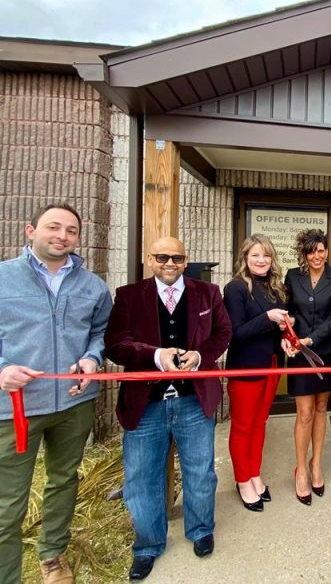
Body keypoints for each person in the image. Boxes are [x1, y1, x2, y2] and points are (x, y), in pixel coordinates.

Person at [105, 237, 231, 581]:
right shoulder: (129, 296)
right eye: (162, 257)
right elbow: (115, 345)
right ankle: (147, 545)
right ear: (150, 259)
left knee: (201, 471)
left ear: (186, 259)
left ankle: (202, 529)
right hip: (146, 404)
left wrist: (202, 356)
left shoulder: (208, 293)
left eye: (177, 257)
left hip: (194, 400)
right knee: (141, 477)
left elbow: (223, 332)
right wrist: (155, 355)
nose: (170, 263)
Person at [0, 203, 112, 584]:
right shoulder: (3, 278)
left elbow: (99, 334)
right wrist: (1, 369)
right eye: (53, 227)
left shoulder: (92, 286)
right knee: (9, 500)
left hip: (72, 404)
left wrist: (92, 358)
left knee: (64, 480)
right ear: (30, 231)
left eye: (70, 230)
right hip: (14, 407)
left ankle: (52, 554)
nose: (62, 236)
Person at [223, 235, 290, 510]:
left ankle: (254, 473)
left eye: (266, 256)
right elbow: (235, 334)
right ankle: (242, 480)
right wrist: (268, 318)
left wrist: (286, 338)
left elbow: (276, 329)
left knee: (260, 423)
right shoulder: (235, 288)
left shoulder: (276, 288)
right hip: (246, 368)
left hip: (272, 364)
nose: (261, 261)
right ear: (245, 259)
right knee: (242, 426)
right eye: (255, 256)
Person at [284, 229, 331, 505]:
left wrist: (312, 338)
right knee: (305, 412)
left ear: (327, 251)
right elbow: (288, 311)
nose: (317, 256)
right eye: (311, 251)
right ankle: (300, 468)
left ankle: (316, 463)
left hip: (326, 351)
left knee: (321, 408)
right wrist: (290, 332)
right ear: (304, 254)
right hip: (298, 352)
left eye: (321, 250)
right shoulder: (292, 277)